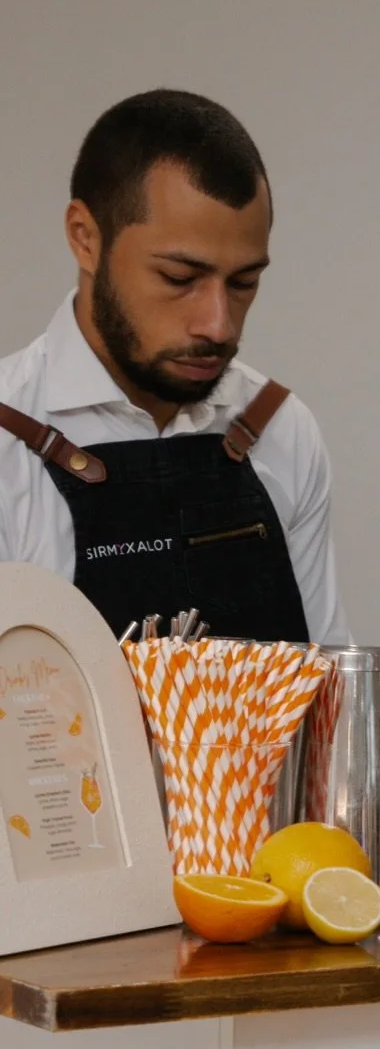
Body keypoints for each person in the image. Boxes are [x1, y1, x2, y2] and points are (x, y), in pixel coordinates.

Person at [0, 88, 348, 643]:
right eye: (180, 278)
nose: (219, 325)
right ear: (85, 238)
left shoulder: (282, 431)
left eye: (244, 283)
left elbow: (324, 696)